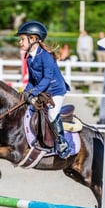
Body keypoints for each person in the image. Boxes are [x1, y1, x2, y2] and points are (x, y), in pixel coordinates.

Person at [15, 20, 72, 159]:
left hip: (56, 91)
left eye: (22, 39)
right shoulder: (29, 58)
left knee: (52, 114)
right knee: (29, 109)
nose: (20, 42)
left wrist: (33, 92)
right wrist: (25, 93)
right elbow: (32, 80)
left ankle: (61, 142)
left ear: (33, 39)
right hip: (44, 91)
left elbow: (47, 79)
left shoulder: (45, 56)